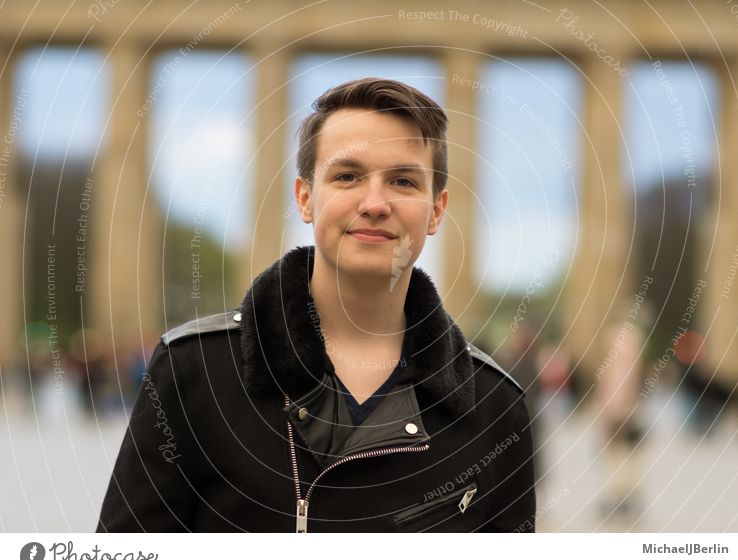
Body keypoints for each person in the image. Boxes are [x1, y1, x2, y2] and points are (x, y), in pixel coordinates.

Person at [97, 77, 535, 532]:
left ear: (437, 211)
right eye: (348, 176)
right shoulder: (195, 370)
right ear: (305, 198)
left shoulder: (496, 408)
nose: (375, 203)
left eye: (403, 180)